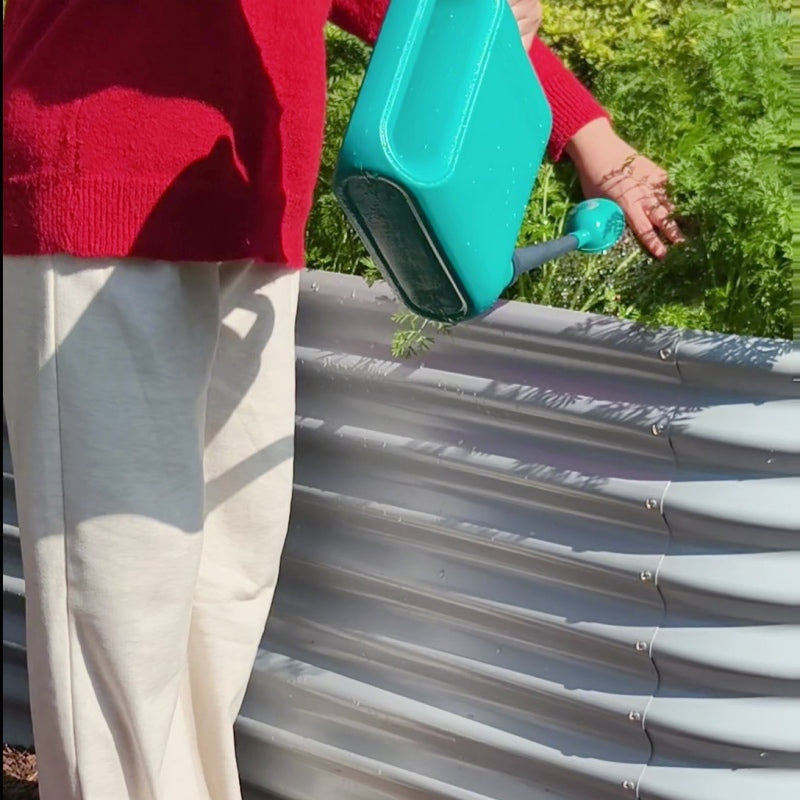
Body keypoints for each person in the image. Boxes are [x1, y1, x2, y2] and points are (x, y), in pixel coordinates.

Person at [2, 2, 683, 799]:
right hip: (101, 175)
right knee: (118, 573)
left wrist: (597, 146)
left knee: (230, 569)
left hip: (251, 207)